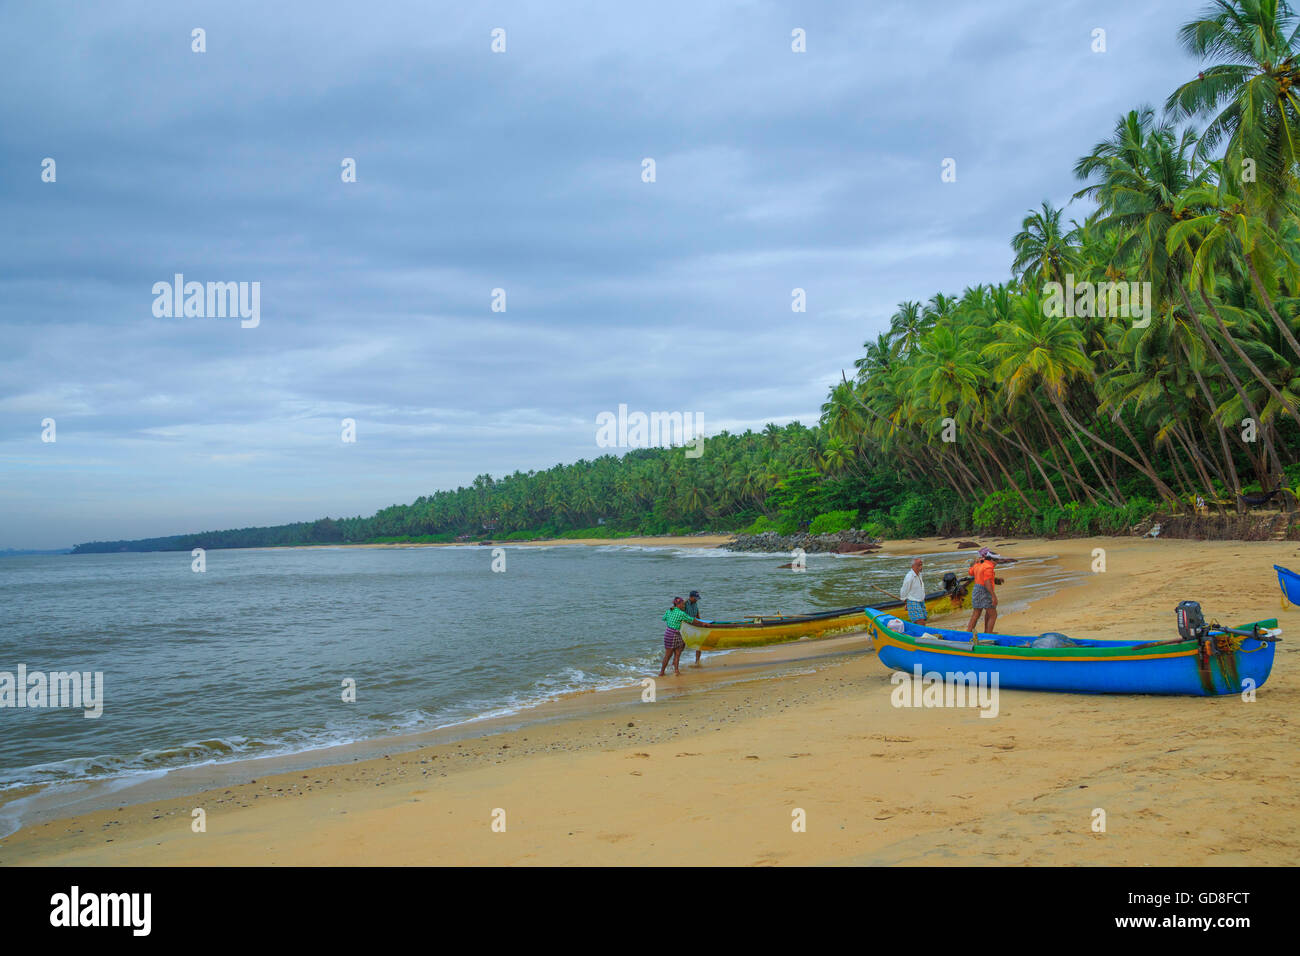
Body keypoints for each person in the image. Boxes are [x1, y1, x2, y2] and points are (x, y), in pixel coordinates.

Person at [660, 596, 703, 677]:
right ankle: (675, 671)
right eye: (683, 604)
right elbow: (692, 620)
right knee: (677, 654)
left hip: (668, 634)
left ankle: (663, 672)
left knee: (669, 655)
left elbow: (664, 618)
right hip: (676, 634)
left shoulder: (669, 610)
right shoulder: (681, 613)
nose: (684, 606)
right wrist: (703, 624)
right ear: (678, 605)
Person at [965, 547, 999, 634]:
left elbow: (971, 572)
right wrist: (993, 596)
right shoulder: (988, 567)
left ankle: (968, 632)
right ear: (991, 560)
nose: (997, 563)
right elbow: (987, 582)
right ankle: (988, 633)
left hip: (976, 589)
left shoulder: (979, 564)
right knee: (993, 614)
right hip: (985, 590)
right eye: (996, 561)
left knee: (976, 613)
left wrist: (974, 563)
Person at [899, 558, 927, 624]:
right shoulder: (909, 576)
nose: (921, 567)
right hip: (913, 601)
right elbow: (904, 590)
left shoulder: (919, 575)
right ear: (913, 566)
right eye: (918, 565)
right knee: (921, 621)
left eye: (921, 565)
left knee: (920, 621)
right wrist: (906, 602)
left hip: (920, 600)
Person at [684, 590, 704, 665]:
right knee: (681, 647)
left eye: (697, 598)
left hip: (695, 625)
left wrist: (701, 624)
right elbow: (679, 613)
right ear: (691, 597)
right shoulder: (684, 604)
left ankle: (697, 662)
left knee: (699, 645)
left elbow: (697, 615)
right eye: (695, 598)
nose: (696, 600)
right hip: (686, 627)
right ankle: (675, 664)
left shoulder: (695, 604)